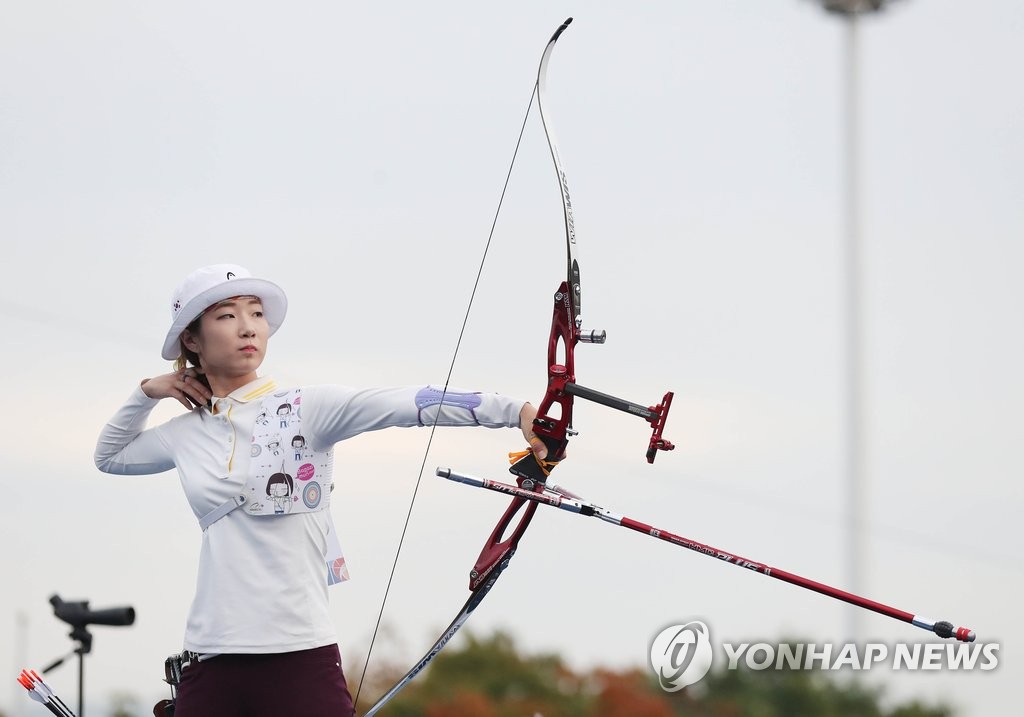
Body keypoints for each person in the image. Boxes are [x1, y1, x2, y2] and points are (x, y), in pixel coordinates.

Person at [94, 264, 545, 717]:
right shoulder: (185, 432)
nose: (248, 327)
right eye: (227, 316)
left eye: (256, 313)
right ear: (192, 340)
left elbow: (410, 403)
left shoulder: (306, 409)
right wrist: (147, 392)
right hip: (211, 658)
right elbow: (110, 456)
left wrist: (516, 411)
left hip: (299, 654)